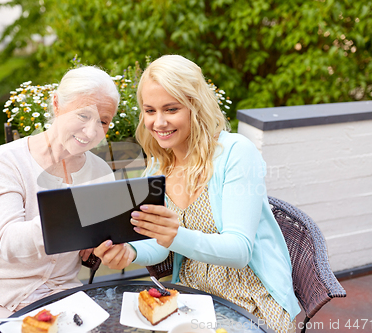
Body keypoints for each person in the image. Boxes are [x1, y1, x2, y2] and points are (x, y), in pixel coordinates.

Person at [94, 55, 300, 333]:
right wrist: (129, 251)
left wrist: (175, 234)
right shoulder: (158, 164)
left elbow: (239, 251)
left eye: (171, 109)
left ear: (195, 106)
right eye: (150, 110)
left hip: (250, 298)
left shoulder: (236, 153)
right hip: (191, 295)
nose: (159, 122)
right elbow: (160, 244)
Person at [0, 66, 119, 333]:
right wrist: (68, 215)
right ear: (56, 104)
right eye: (83, 115)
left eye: (103, 121)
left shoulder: (100, 172)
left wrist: (99, 243)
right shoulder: (6, 161)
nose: (91, 132)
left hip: (59, 293)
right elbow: (9, 243)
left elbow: (92, 250)